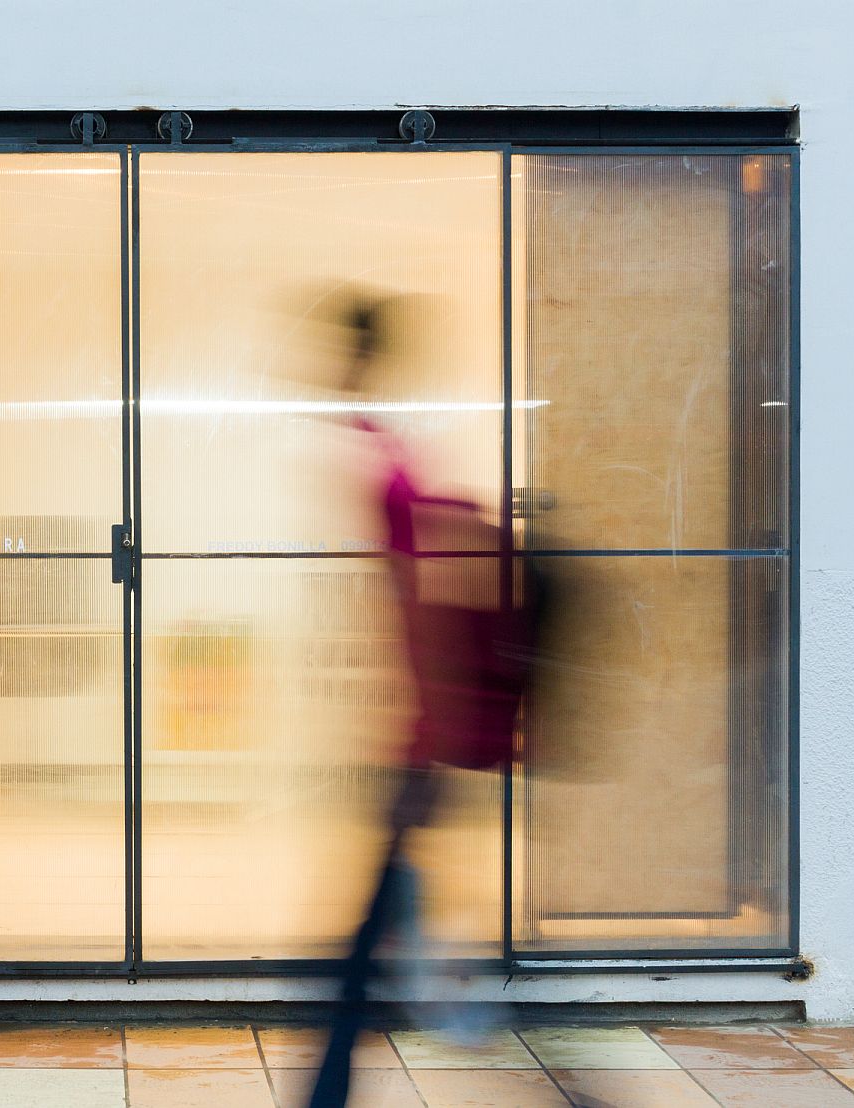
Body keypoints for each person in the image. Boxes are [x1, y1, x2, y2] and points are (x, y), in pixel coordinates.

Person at [309, 298, 541, 1108]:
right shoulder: (395, 460)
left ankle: (562, 1080)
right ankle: (332, 1085)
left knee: (372, 951)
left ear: (361, 357)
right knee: (370, 946)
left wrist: (430, 737)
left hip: (422, 743)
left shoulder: (394, 474)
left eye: (340, 352)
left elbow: (426, 617)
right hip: (421, 738)